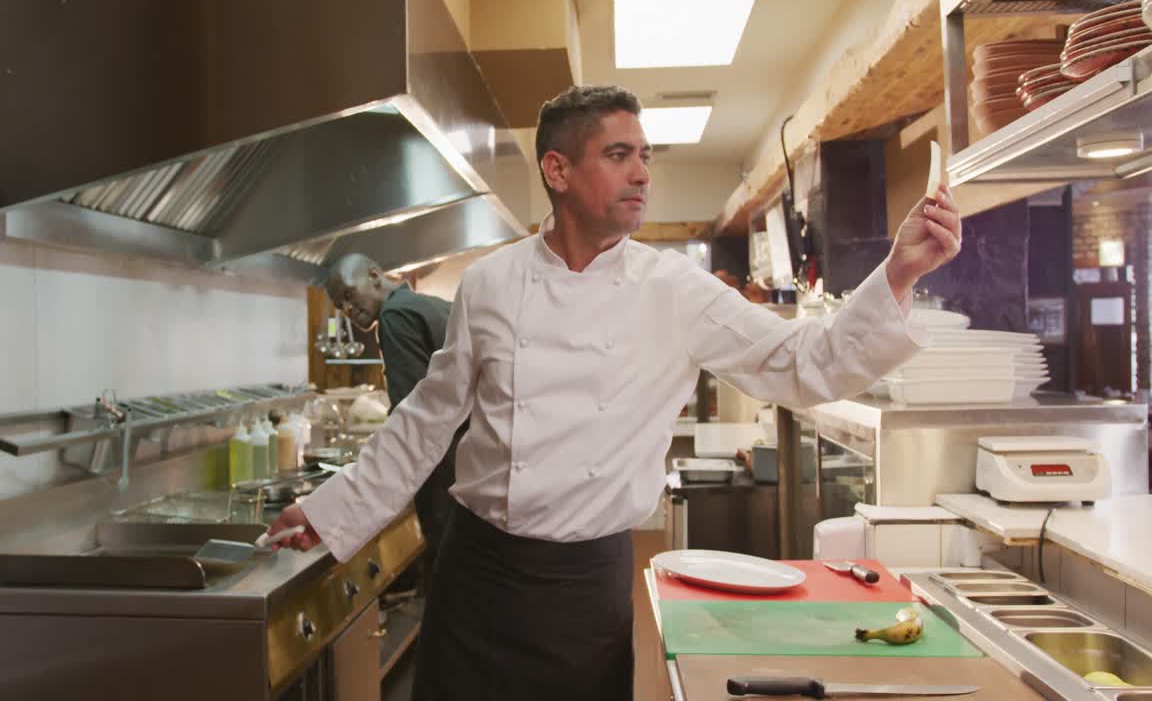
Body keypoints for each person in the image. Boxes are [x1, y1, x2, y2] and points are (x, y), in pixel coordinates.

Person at [269, 84, 962, 700]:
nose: (641, 174)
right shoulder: (492, 283)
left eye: (646, 156)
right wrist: (332, 510)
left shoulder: (674, 291)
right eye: (619, 155)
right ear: (558, 170)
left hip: (585, 591)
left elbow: (805, 364)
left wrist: (897, 275)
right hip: (478, 577)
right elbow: (425, 421)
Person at [323, 253, 462, 589]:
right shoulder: (427, 305)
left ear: (374, 275)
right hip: (467, 472)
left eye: (348, 294)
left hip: (445, 477)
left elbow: (411, 420)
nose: (347, 309)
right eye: (339, 305)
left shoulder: (395, 316)